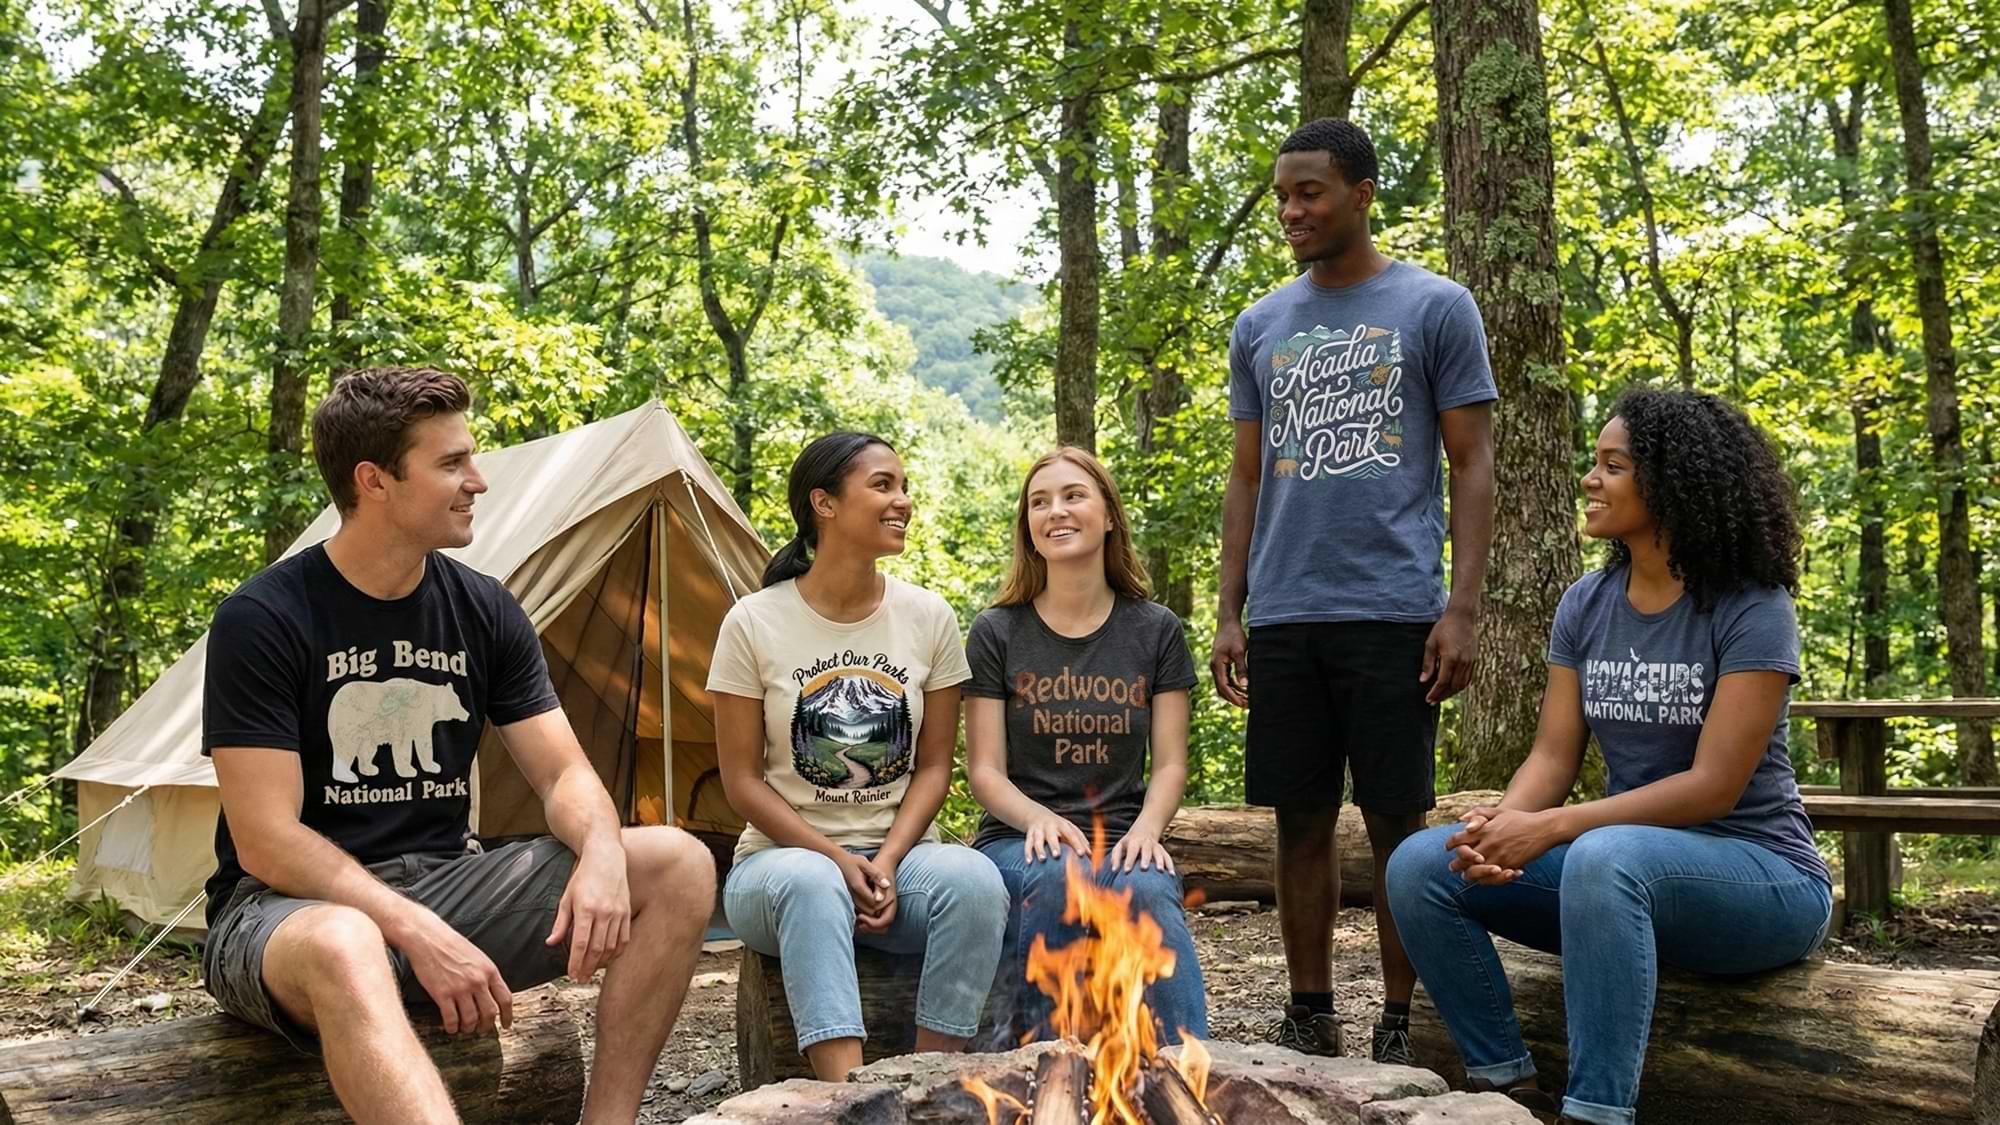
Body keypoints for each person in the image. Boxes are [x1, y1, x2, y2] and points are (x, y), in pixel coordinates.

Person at [201, 367, 714, 1125]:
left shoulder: (482, 605)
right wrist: (415, 930)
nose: (477, 480)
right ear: (374, 480)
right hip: (286, 916)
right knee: (349, 941)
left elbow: (563, 770)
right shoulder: (265, 616)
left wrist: (603, 849)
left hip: (447, 883)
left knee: (679, 863)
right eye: (451, 463)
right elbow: (267, 841)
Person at [1385, 388, 1833, 1125]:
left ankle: (1595, 1113)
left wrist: (1555, 827)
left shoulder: (1751, 604)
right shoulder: (1587, 604)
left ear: (1671, 481)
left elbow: (1715, 787)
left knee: (1602, 854)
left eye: (1612, 465)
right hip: (1622, 873)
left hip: (1764, 877)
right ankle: (1506, 1092)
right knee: (1422, 863)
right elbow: (1553, 756)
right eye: (1594, 463)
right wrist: (1503, 822)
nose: (1589, 480)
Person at [1211, 116, 1497, 1063]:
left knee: (1396, 823)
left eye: (1311, 193)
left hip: (1393, 609)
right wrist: (1228, 608)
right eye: (1283, 194)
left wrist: (1460, 607)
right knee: (1298, 817)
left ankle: (1401, 1020)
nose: (1291, 210)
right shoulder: (1260, 323)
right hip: (1287, 612)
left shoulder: (1435, 306)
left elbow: (1473, 460)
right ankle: (1310, 1009)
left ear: (1363, 194)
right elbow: (1247, 474)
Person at [710, 432, 1007, 1082]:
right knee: (815, 884)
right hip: (778, 870)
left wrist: (889, 859)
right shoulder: (752, 623)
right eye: (883, 485)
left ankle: (933, 1084)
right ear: (825, 502)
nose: (902, 500)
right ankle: (846, 1098)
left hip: (902, 862)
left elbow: (934, 767)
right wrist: (840, 860)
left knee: (978, 880)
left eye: (903, 485)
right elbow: (740, 781)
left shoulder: (927, 616)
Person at [965, 447, 1206, 1048]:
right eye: (1039, 503)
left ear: (1108, 517)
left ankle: (1189, 1079)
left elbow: (1172, 761)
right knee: (1058, 872)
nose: (1055, 512)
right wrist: (1039, 819)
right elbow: (985, 771)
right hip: (1018, 839)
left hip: (1123, 833)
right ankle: (1043, 1069)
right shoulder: (997, 631)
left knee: (1148, 887)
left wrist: (1148, 831)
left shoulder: (1155, 630)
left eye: (1074, 495)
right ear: (1028, 528)